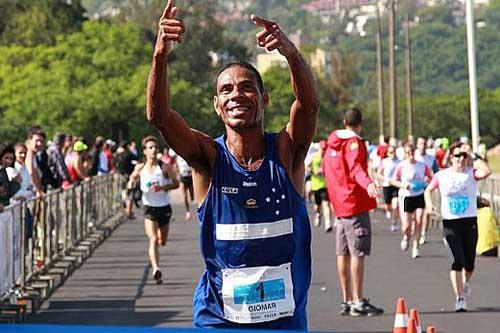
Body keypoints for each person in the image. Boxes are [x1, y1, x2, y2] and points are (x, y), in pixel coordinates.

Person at [147, 0, 319, 329]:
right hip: (220, 318)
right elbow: (160, 117)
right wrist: (159, 58)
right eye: (226, 90)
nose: (236, 95)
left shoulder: (285, 151)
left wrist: (292, 56)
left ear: (264, 99)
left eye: (246, 88)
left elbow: (308, 107)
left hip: (283, 318)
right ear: (217, 105)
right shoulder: (207, 157)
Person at [322, 107, 384, 317]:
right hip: (354, 204)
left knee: (343, 252)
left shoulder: (332, 145)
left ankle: (347, 299)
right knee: (357, 252)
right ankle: (358, 300)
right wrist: (368, 184)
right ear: (361, 123)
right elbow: (356, 167)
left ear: (344, 121)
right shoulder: (354, 143)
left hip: (339, 206)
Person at [424, 142, 491, 312]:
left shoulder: (471, 174)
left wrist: (474, 155)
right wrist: (429, 204)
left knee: (469, 265)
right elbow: (428, 190)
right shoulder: (442, 175)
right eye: (457, 156)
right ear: (450, 158)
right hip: (450, 223)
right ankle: (459, 298)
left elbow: (487, 171)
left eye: (463, 156)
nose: (460, 159)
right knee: (457, 261)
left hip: (469, 222)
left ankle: (465, 281)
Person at [127, 135, 179, 284]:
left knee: (162, 241)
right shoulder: (140, 167)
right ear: (144, 151)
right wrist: (131, 184)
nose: (153, 150)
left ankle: (157, 260)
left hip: (164, 207)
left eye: (155, 147)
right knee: (153, 239)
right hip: (149, 207)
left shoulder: (164, 167)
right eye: (150, 147)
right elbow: (131, 179)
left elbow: (176, 184)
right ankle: (156, 268)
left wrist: (162, 187)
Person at [391, 143, 431, 259]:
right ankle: (406, 237)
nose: (411, 155)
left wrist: (425, 182)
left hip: (418, 195)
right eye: (408, 153)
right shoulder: (401, 166)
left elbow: (430, 177)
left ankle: (415, 247)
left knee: (418, 221)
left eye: (412, 152)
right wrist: (404, 185)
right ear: (405, 153)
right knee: (406, 225)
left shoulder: (422, 165)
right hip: (406, 196)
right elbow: (393, 181)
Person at [415, 137, 439, 245]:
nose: (423, 146)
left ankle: (423, 233)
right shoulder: (413, 156)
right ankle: (416, 230)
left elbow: (436, 173)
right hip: (414, 189)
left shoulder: (431, 158)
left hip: (427, 188)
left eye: (424, 144)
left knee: (426, 211)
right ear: (417, 145)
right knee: (416, 213)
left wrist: (431, 179)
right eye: (420, 144)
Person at [308, 140, 333, 232]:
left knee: (326, 203)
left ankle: (328, 223)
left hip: (325, 185)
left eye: (325, 149)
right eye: (322, 149)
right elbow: (306, 166)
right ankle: (318, 214)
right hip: (315, 185)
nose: (323, 151)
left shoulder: (328, 158)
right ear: (319, 149)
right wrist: (313, 171)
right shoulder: (314, 157)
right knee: (317, 205)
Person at [377, 145, 400, 231]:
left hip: (396, 185)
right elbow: (379, 173)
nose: (393, 154)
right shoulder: (384, 162)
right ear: (387, 153)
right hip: (386, 185)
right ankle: (388, 210)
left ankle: (394, 223)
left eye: (394, 152)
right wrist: (384, 179)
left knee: (396, 204)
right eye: (391, 152)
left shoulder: (399, 162)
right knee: (388, 205)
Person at [176, 155, 194, 221]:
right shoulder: (178, 157)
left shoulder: (188, 155)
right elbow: (176, 166)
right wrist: (178, 174)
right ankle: (187, 211)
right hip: (183, 178)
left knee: (192, 196)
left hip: (190, 177)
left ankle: (193, 208)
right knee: (184, 196)